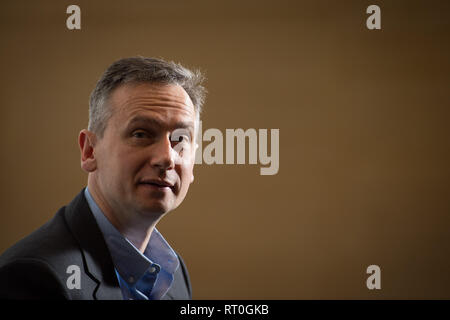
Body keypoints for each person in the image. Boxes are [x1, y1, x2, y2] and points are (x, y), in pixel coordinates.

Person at [0, 57, 206, 300]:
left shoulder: (175, 274)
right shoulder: (33, 277)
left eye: (180, 139)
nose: (167, 158)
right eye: (141, 134)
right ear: (89, 151)